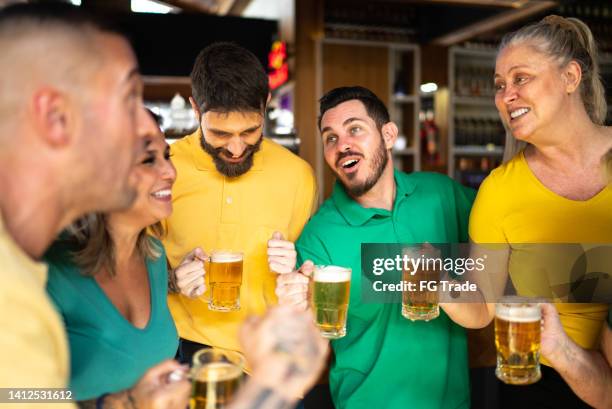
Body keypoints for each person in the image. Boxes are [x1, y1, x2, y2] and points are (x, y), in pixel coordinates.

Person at [0, 5, 189, 408]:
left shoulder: (21, 266)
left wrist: (122, 401)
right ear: (55, 117)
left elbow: (24, 395)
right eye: (127, 98)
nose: (144, 128)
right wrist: (273, 388)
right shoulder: (12, 296)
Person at [443, 15, 612, 409]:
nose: (506, 96)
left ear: (571, 77)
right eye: (500, 85)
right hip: (536, 380)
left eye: (521, 78)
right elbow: (482, 306)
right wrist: (440, 289)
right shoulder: (500, 190)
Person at [276, 86, 475, 409]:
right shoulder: (318, 237)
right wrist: (296, 313)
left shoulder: (441, 195)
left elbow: (508, 241)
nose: (343, 146)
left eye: (354, 129)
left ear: (388, 134)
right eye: (331, 138)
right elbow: (303, 350)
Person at [162, 42, 317, 364]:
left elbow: (307, 273)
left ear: (266, 106)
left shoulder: (297, 174)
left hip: (272, 355)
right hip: (186, 350)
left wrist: (299, 273)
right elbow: (128, 267)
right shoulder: (164, 169)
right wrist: (172, 279)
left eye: (250, 131)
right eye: (219, 134)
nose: (235, 148)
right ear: (195, 109)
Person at [44, 115, 193, 408]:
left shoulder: (154, 255)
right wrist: (114, 401)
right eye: (148, 160)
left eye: (166, 155)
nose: (171, 172)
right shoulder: (47, 271)